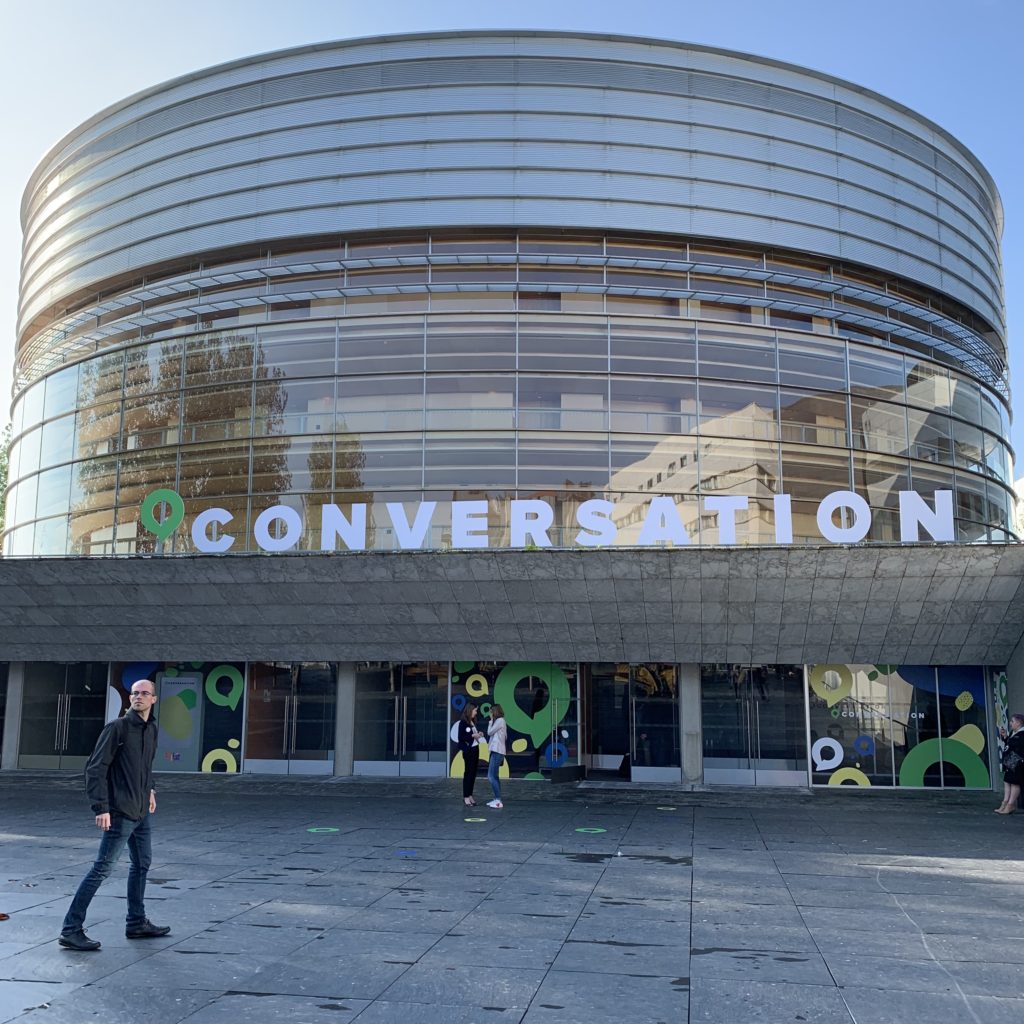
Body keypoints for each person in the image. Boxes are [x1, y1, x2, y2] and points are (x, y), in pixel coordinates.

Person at [58, 680, 170, 951]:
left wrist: (151, 790)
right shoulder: (117, 728)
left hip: (141, 810)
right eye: (135, 693)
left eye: (144, 693)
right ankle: (71, 930)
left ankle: (136, 922)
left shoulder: (151, 729)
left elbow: (145, 767)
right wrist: (101, 807)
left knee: (142, 864)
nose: (139, 697)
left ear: (154, 699)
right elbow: (95, 768)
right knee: (101, 869)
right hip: (119, 811)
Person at [995, 713, 1024, 816]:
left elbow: (1018, 748)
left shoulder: (1022, 735)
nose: (1010, 724)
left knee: (1014, 782)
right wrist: (1005, 737)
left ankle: (1010, 804)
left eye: (1012, 721)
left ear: (1018, 723)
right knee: (1007, 781)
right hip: (1009, 760)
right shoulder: (1013, 733)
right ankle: (1005, 802)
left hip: (1016, 761)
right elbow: (1009, 744)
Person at [457, 703, 483, 807]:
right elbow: (461, 737)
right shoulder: (463, 723)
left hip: (475, 749)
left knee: (473, 773)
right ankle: (466, 796)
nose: (476, 713)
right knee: (468, 773)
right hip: (469, 750)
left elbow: (472, 735)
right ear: (470, 710)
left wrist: (479, 734)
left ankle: (470, 794)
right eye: (475, 710)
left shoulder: (472, 722)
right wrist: (473, 735)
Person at [486, 704, 508, 809]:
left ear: (494, 712)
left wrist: (490, 721)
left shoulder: (500, 721)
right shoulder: (500, 721)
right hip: (497, 751)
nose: (490, 714)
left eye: (491, 712)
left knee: (491, 776)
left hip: (497, 751)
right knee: (495, 776)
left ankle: (498, 800)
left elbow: (489, 732)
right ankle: (496, 798)